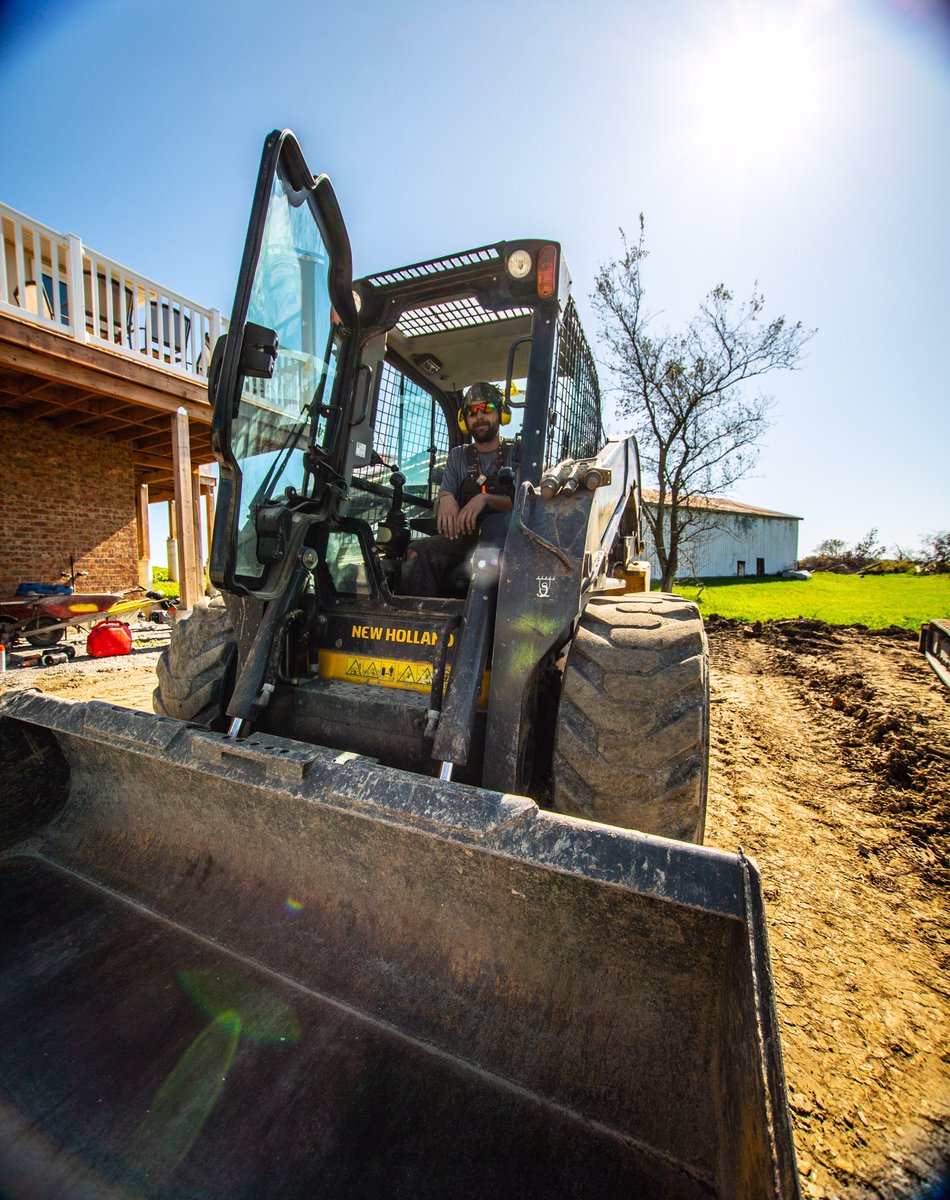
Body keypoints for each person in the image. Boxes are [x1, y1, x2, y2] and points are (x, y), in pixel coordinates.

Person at [400, 382, 515, 596]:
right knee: (418, 552)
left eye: (487, 408)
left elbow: (525, 504)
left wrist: (486, 499)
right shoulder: (458, 455)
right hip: (465, 539)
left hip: (507, 542)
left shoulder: (516, 452)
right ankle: (421, 621)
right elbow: (444, 497)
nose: (479, 416)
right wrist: (444, 497)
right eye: (472, 411)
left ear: (501, 413)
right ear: (465, 420)